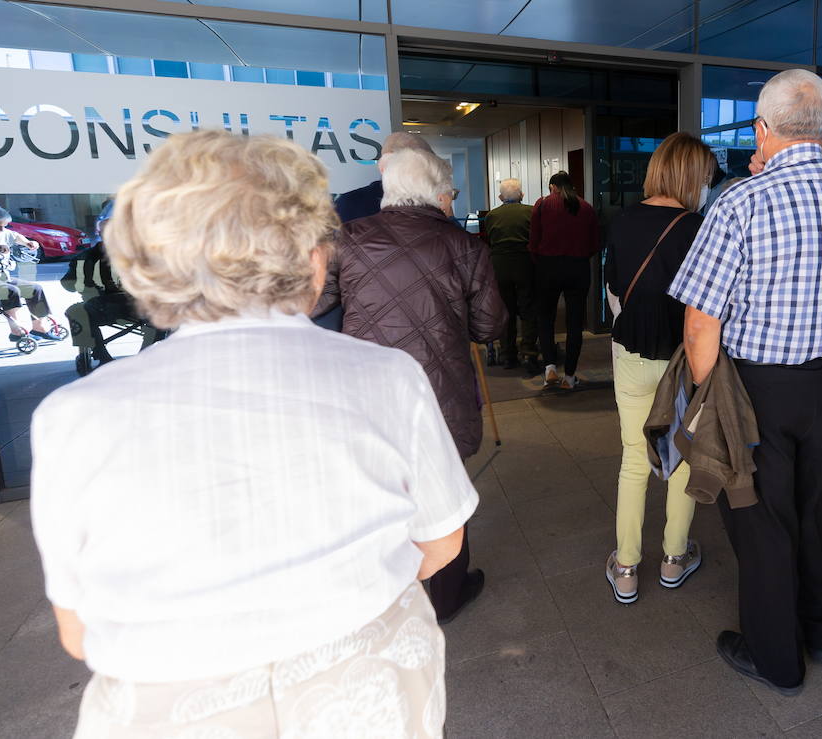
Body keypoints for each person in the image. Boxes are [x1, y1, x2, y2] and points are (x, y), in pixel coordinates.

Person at [30, 130, 476, 737]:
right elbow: (441, 543)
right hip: (370, 692)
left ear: (145, 263)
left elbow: (77, 629)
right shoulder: (385, 376)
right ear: (315, 259)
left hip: (168, 708)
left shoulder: (73, 415)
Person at [670, 68, 822, 696]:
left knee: (757, 515)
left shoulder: (741, 200)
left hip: (757, 386)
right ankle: (821, 625)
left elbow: (701, 323)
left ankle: (776, 658)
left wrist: (709, 402)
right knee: (818, 503)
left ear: (763, 129)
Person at [315, 145, 505, 625]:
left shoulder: (348, 239)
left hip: (366, 392)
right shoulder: (465, 246)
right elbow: (490, 327)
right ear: (437, 194)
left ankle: (384, 595)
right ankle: (445, 594)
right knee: (443, 490)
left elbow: (315, 305)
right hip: (440, 391)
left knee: (376, 492)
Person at [603, 132, 716, 605]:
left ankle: (626, 566)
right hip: (684, 359)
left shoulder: (623, 219)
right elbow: (709, 306)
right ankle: (674, 557)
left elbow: (612, 292)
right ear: (694, 176)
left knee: (634, 457)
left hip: (630, 353)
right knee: (683, 456)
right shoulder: (700, 228)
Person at [317, 132, 437, 332]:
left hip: (363, 326)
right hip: (427, 324)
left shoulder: (348, 203)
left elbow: (331, 276)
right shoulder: (432, 210)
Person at [529, 170, 599, 391]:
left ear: (552, 187)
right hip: (577, 268)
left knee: (545, 318)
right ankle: (569, 377)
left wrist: (540, 260)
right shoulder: (586, 207)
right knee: (575, 323)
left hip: (548, 267)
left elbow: (533, 240)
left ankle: (550, 367)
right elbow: (595, 243)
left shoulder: (542, 205)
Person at [61, 202, 152, 366]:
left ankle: (141, 357)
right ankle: (104, 357)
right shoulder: (86, 257)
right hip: (105, 306)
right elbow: (68, 284)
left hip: (129, 305)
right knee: (77, 312)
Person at [0, 204, 63, 343]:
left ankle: (39, 327)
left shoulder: (3, 232)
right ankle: (16, 331)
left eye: (4, 226)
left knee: (35, 289)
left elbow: (15, 236)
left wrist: (29, 243)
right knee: (10, 291)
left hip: (2, 276)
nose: (1, 229)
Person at [484, 178, 538, 370]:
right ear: (521, 195)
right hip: (525, 265)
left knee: (505, 312)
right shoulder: (532, 212)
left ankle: (508, 355)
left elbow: (489, 240)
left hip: (499, 266)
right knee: (528, 309)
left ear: (500, 197)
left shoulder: (492, 215)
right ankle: (529, 353)